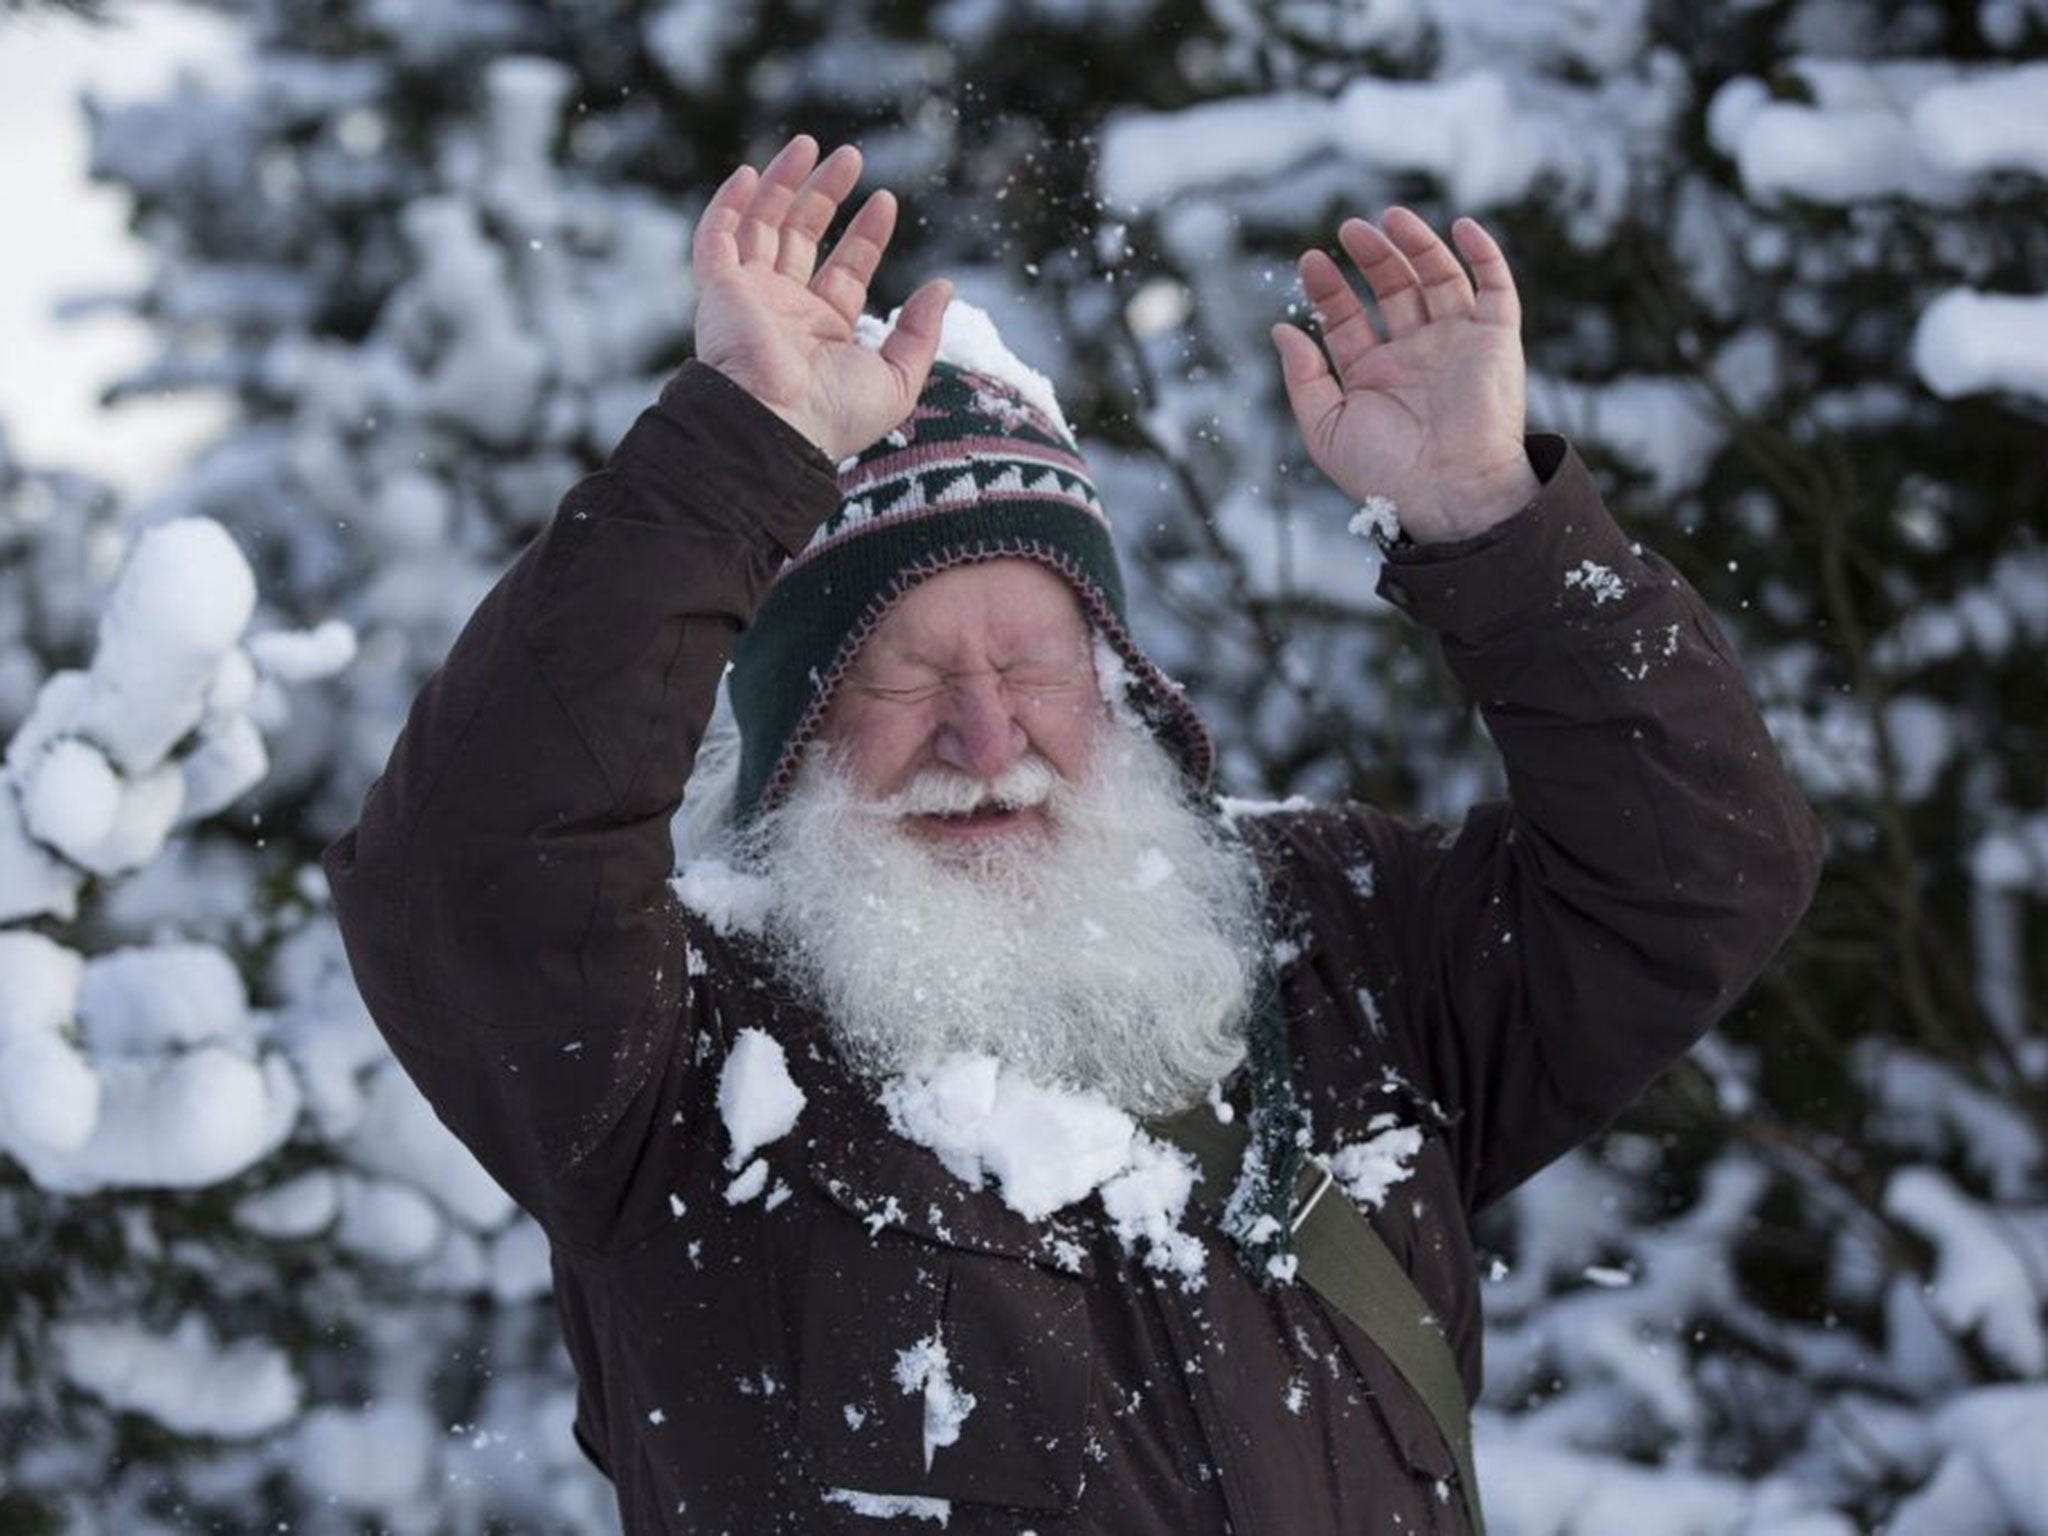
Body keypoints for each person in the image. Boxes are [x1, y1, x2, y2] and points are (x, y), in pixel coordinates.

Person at [324, 133, 1822, 1534]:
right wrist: (737, 453)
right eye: (902, 677)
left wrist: (1494, 520)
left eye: (1035, 669)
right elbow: (462, 870)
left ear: (1117, 686)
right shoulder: (677, 1066)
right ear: (792, 739)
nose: (988, 742)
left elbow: (1698, 870)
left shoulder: (1341, 943)